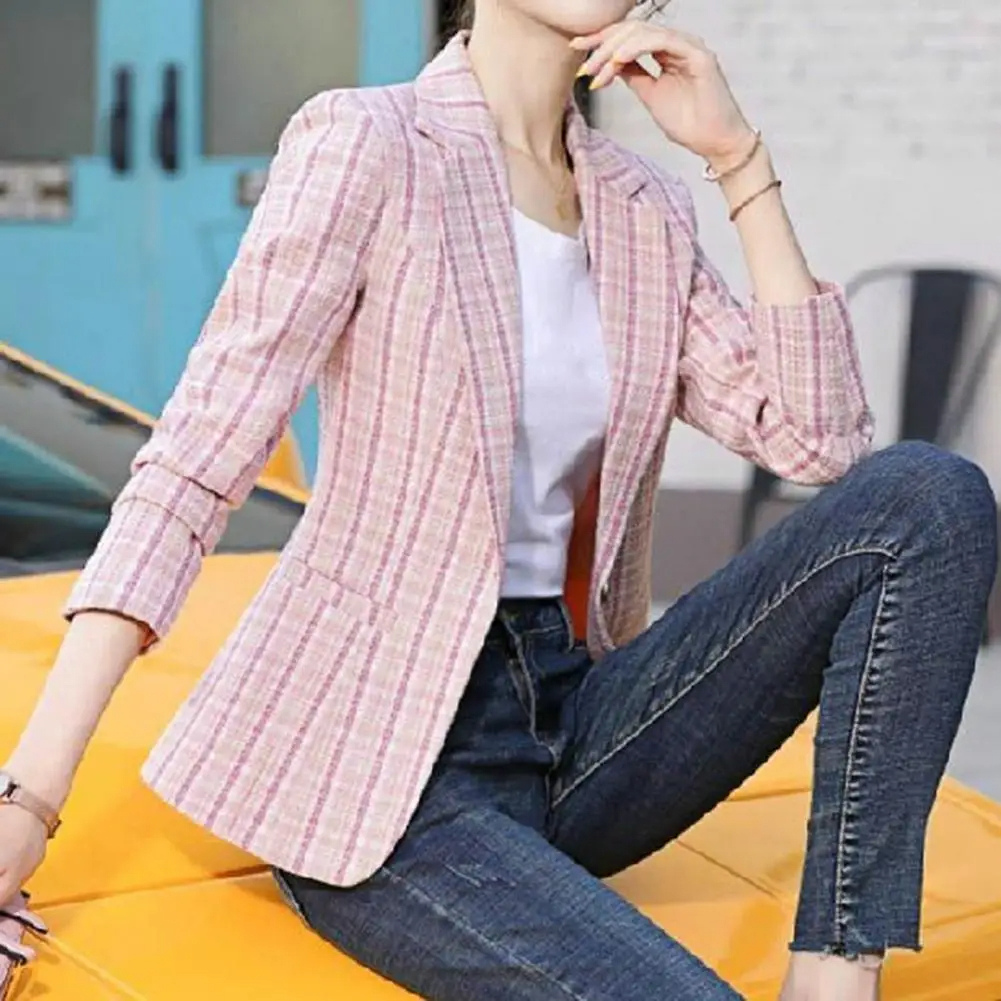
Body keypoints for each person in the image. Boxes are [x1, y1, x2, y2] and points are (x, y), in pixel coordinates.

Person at [0, 1, 997, 998]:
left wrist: (736, 161)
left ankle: (833, 971)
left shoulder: (640, 203)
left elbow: (817, 441)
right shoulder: (371, 145)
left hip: (572, 716)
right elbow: (195, 464)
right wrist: (27, 802)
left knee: (924, 494)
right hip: (389, 770)